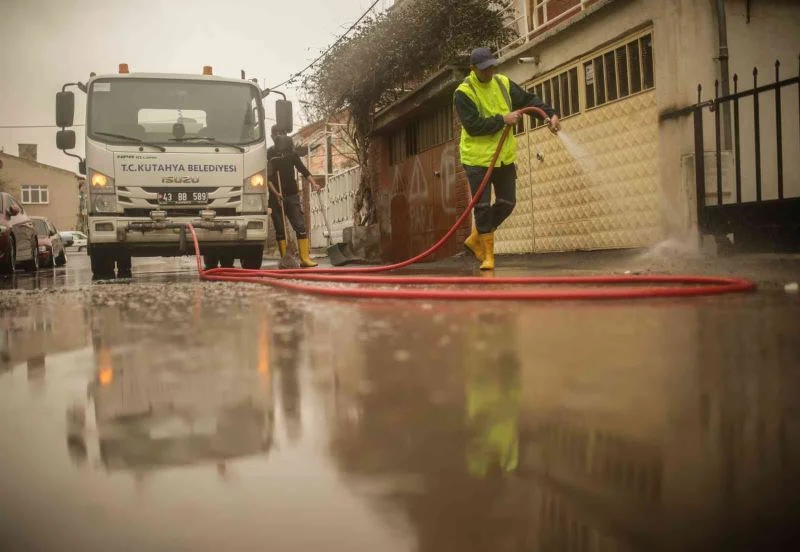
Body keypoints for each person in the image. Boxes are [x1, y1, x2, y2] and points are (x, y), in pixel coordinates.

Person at [454, 47, 561, 270]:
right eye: (484, 69)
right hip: (477, 159)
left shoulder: (502, 82)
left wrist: (549, 114)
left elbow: (527, 99)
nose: (489, 72)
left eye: (492, 67)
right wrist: (502, 119)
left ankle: (476, 240)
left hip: (503, 156)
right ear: (473, 69)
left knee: (508, 202)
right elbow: (473, 126)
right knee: (482, 206)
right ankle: (488, 256)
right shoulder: (463, 92)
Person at [267, 125, 320, 268]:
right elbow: (269, 178)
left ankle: (304, 258)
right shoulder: (271, 156)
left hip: (291, 195)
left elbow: (304, 171)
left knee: (300, 225)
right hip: (275, 198)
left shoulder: (292, 155)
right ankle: (285, 260)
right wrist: (276, 193)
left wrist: (314, 184)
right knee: (280, 229)